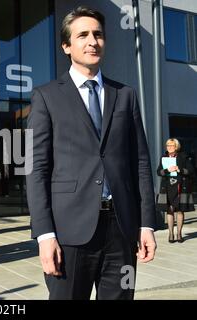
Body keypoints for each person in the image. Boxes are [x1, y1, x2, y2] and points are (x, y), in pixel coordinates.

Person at [26, 6, 157, 300]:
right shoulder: (46, 96)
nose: (92, 41)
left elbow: (141, 163)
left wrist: (147, 223)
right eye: (82, 35)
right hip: (69, 232)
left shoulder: (126, 95)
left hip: (122, 232)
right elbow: (37, 170)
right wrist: (44, 235)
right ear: (66, 46)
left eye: (98, 34)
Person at [156, 138, 195, 243]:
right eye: (168, 145)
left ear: (176, 146)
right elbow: (158, 172)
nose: (169, 147)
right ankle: (171, 234)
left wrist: (180, 170)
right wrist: (167, 170)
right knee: (169, 210)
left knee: (179, 210)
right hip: (167, 186)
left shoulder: (183, 157)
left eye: (171, 145)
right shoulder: (164, 157)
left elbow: (191, 171)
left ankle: (179, 234)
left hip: (180, 186)